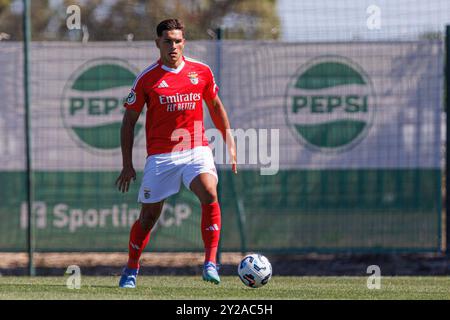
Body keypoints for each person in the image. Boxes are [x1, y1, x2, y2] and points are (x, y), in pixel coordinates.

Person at [115, 18, 237, 288]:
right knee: (148, 219)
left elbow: (215, 106)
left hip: (195, 149)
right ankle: (131, 268)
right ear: (157, 42)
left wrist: (229, 141)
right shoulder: (147, 79)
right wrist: (127, 164)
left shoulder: (201, 71)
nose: (173, 45)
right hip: (161, 157)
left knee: (209, 192)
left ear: (184, 42)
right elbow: (128, 122)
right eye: (168, 41)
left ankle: (210, 263)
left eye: (178, 40)